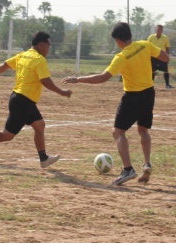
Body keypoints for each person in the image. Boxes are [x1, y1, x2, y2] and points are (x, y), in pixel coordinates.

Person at [63, 22, 169, 186]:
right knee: (143, 130)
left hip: (133, 96)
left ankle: (128, 169)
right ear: (130, 35)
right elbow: (165, 57)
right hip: (149, 93)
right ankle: (147, 163)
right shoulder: (145, 45)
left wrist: (78, 79)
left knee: (118, 132)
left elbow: (102, 77)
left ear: (118, 40)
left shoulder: (122, 57)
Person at [0, 31, 72, 169]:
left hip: (22, 100)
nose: (48, 49)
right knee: (7, 135)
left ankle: (43, 159)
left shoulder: (23, 55)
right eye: (48, 45)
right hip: (23, 101)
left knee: (40, 126)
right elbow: (45, 81)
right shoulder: (39, 59)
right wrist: (62, 92)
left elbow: (5, 64)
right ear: (41, 45)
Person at [148, 24, 174, 89]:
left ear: (162, 30)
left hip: (162, 56)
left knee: (166, 70)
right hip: (153, 56)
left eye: (160, 29)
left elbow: (167, 47)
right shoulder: (151, 37)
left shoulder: (165, 38)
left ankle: (167, 84)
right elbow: (147, 47)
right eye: (158, 29)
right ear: (155, 29)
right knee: (152, 70)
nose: (159, 30)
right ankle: (151, 85)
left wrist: (167, 57)